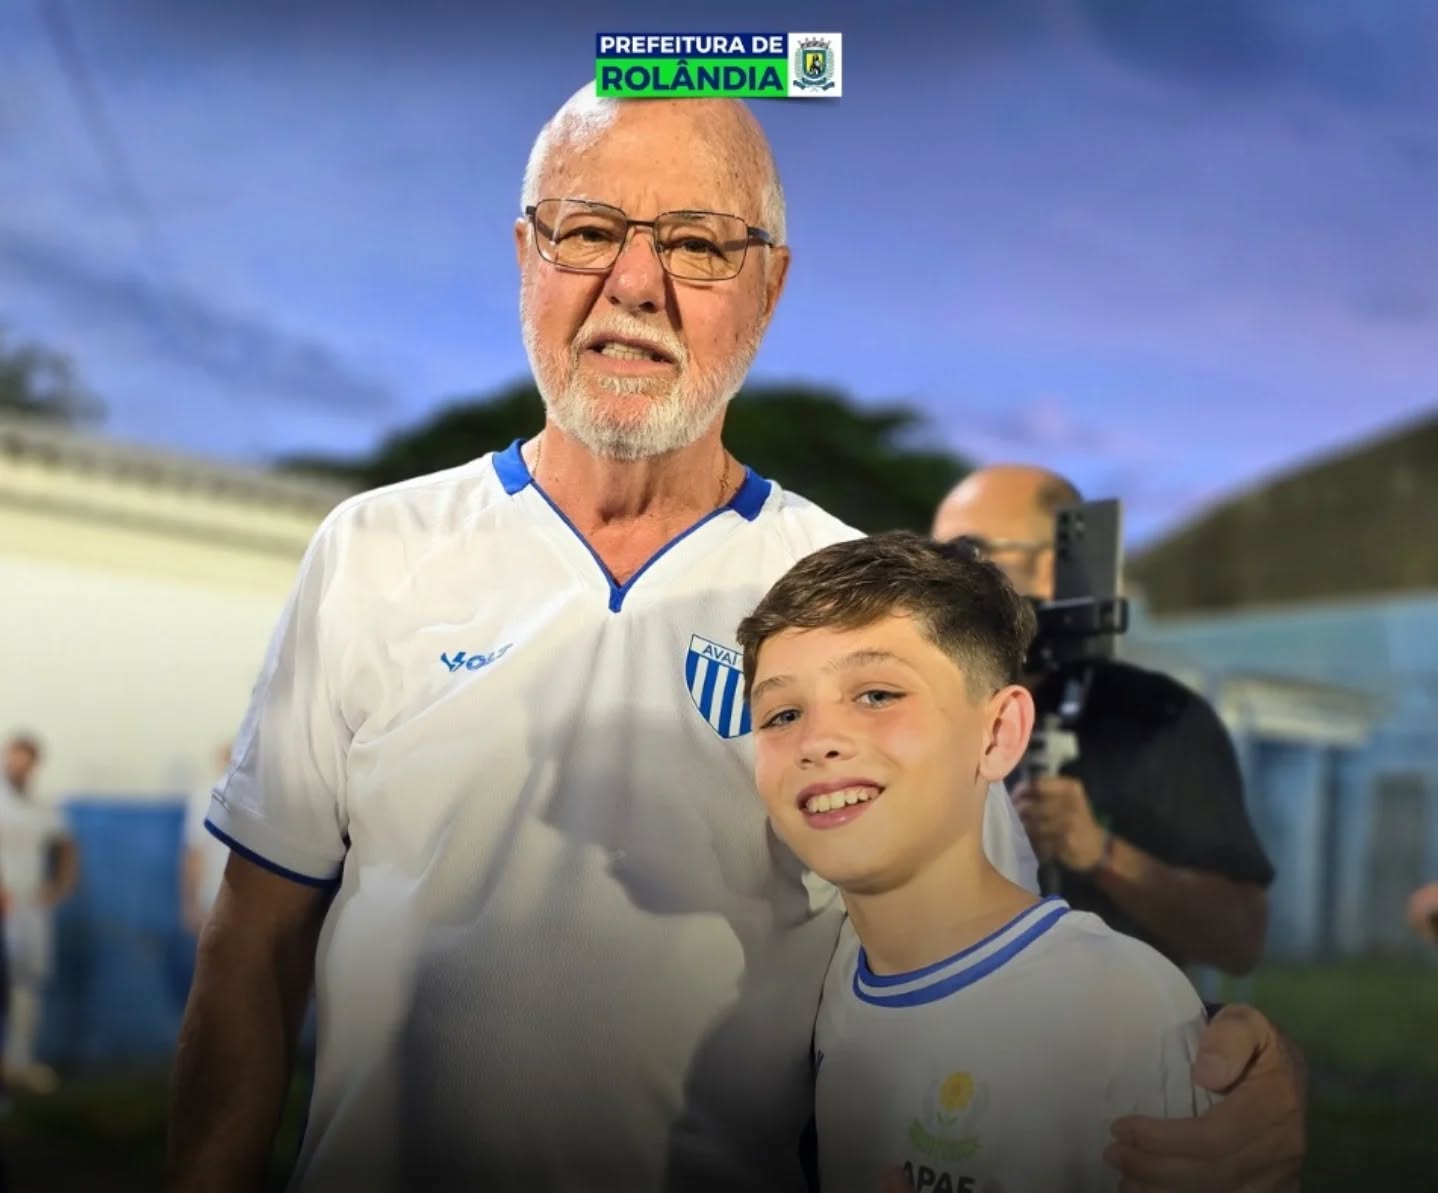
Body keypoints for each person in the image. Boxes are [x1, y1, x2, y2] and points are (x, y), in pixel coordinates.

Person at [166, 88, 1306, 1193]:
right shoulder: (372, 549)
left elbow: (990, 950)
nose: (634, 284)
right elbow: (254, 939)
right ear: (525, 255)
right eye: (589, 231)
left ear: (769, 287)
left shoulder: (857, 606)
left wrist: (1198, 1054)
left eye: (698, 245)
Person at [738, 530, 1216, 1192]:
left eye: (877, 695)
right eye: (783, 713)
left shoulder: (1121, 1005)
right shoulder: (832, 984)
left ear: (998, 733)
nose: (818, 741)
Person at [932, 465, 1274, 976]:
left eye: (968, 552)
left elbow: (1239, 940)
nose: (940, 580)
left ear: (1053, 569)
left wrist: (1104, 855)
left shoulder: (1157, 718)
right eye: (936, 557)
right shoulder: (918, 709)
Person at [0, 732, 78, 1095]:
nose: (19, 765)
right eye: (14, 757)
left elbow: (67, 846)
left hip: (29, 904)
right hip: (4, 901)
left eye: (26, 760)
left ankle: (19, 1062)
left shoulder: (42, 807)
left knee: (27, 983)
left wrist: (59, 886)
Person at [181, 743, 234, 937]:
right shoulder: (206, 796)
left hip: (216, 900)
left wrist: (190, 902)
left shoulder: (206, 796)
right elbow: (195, 853)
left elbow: (194, 852)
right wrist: (191, 902)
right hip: (218, 900)